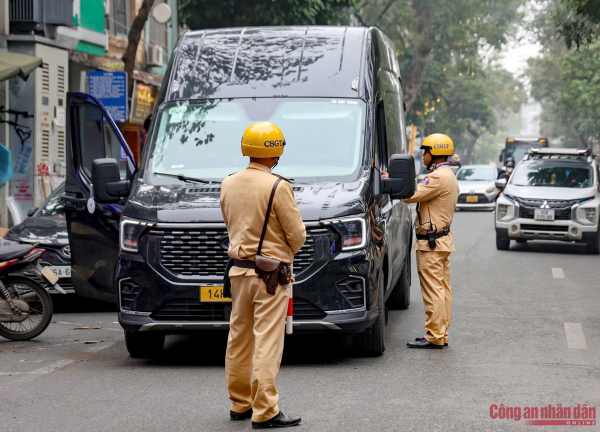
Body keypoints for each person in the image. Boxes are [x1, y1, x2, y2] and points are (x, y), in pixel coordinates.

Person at [220, 121, 306, 429]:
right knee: (267, 340)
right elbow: (297, 236)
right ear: (276, 151)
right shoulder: (278, 186)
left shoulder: (227, 183)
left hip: (237, 272)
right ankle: (265, 410)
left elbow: (231, 222)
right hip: (270, 277)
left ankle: (239, 403)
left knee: (239, 338)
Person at [403, 133, 459, 349]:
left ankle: (434, 334)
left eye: (425, 152)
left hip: (431, 243)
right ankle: (441, 333)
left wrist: (394, 183)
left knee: (432, 289)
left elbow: (410, 195)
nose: (423, 155)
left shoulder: (435, 177)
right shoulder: (448, 174)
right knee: (442, 288)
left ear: (434, 153)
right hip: (442, 240)